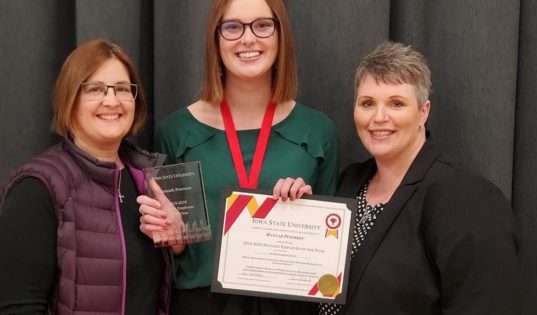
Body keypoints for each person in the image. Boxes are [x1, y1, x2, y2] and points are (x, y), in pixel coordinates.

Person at [277, 41, 519, 315]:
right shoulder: (349, 184)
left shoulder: (467, 199)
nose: (379, 117)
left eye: (396, 103)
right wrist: (296, 216)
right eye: (367, 103)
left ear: (423, 111)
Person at [137, 0, 339, 314]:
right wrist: (173, 238)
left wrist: (305, 210)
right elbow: (176, 249)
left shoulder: (318, 131)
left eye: (262, 25)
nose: (248, 39)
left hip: (286, 306)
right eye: (233, 27)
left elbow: (329, 255)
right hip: (201, 304)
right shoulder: (176, 132)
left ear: (280, 34)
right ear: (215, 39)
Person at [0, 39, 172, 314]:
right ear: (70, 99)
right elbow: (18, 307)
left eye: (122, 89)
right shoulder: (36, 187)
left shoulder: (149, 180)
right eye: (95, 89)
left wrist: (177, 245)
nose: (112, 101)